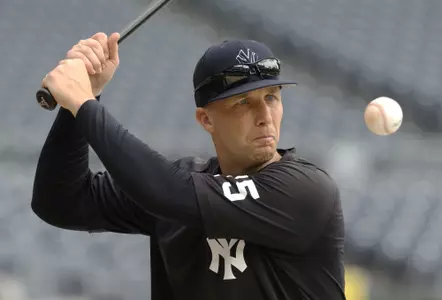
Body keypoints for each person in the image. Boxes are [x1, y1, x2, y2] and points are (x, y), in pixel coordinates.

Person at [32, 31, 346, 300]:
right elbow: (60, 201)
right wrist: (83, 100)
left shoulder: (304, 189)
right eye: (243, 103)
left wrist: (82, 102)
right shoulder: (183, 182)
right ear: (206, 119)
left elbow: (168, 191)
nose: (264, 115)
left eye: (272, 98)